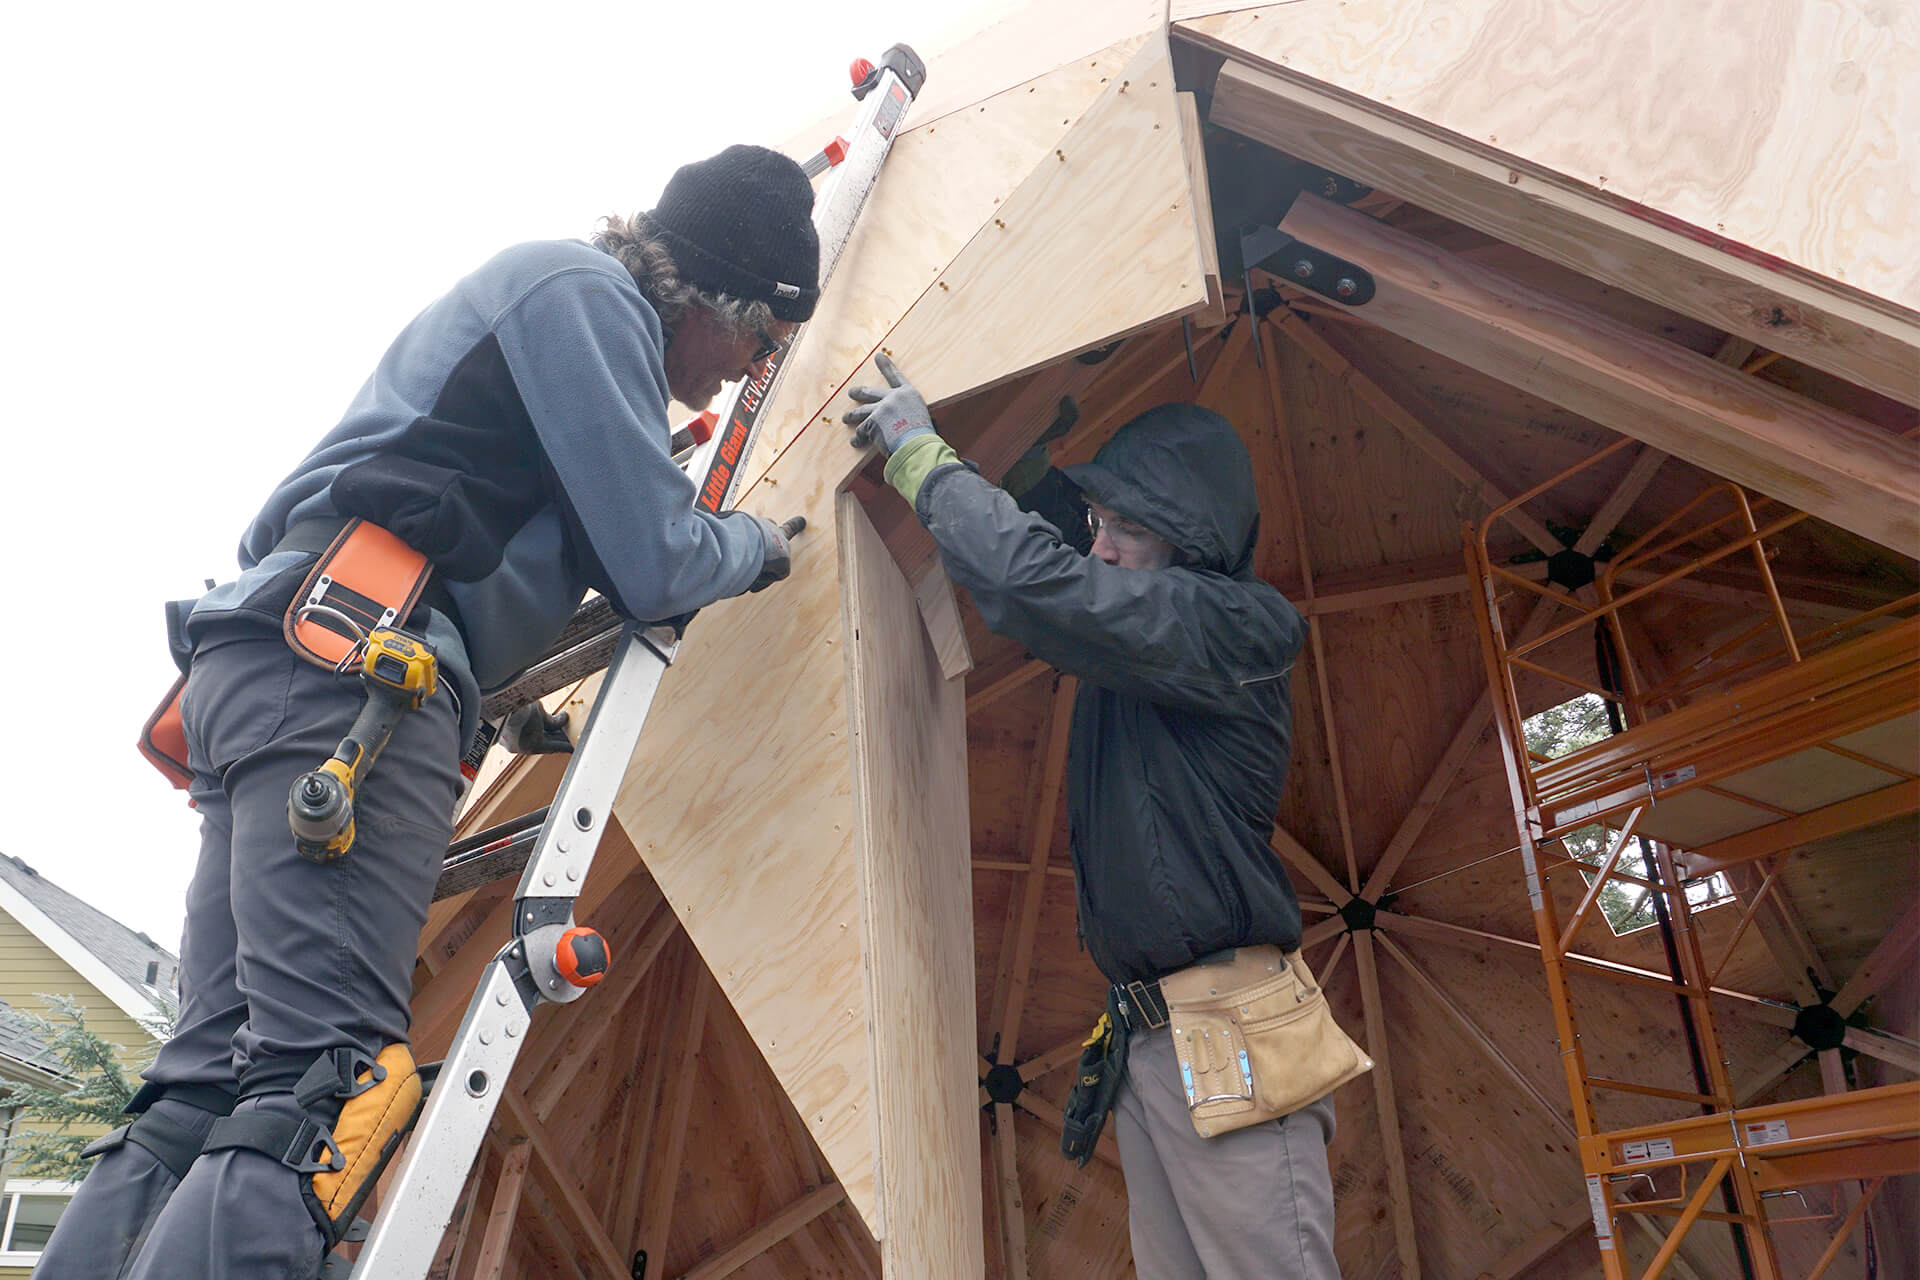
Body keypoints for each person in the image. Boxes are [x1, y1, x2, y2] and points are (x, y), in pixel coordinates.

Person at [41, 143, 818, 1280]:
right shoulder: (589, 300)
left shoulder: (548, 304)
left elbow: (475, 519)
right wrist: (750, 543)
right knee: (329, 1087)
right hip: (355, 674)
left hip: (287, 660)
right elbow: (655, 560)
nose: (753, 368)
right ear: (715, 299)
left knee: (207, 1084)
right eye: (763, 338)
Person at [845, 356, 1338, 1278]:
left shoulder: (1239, 627)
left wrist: (921, 457)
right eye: (1097, 521)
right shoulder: (1152, 634)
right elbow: (1076, 562)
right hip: (1154, 1041)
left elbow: (1046, 586)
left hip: (1228, 1028)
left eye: (1127, 530)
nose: (1100, 546)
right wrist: (1025, 453)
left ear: (1192, 546)